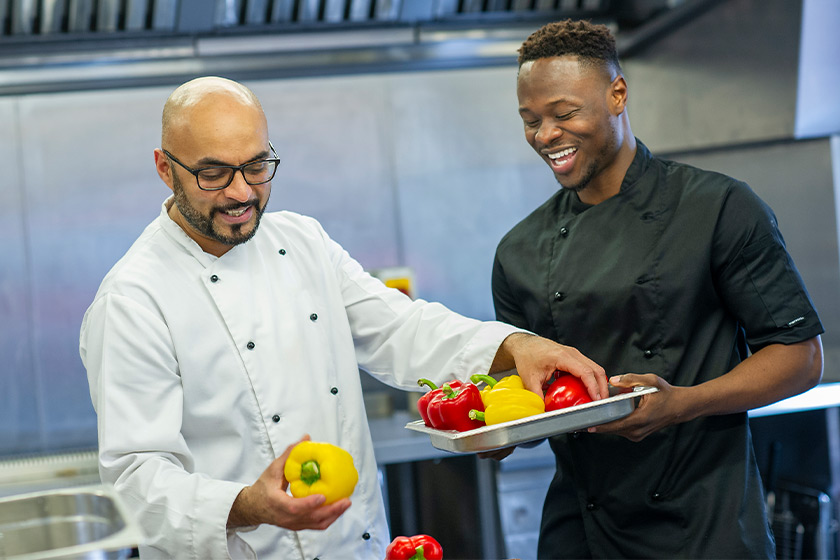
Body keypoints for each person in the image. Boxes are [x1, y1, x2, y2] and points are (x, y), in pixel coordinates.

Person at [79, 76, 608, 559]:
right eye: (213, 174)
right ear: (165, 168)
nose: (242, 192)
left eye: (257, 166)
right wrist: (246, 505)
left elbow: (400, 329)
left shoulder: (301, 241)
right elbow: (135, 478)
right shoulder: (133, 300)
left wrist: (515, 345)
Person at [491, 19, 824, 559]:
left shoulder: (715, 207)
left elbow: (800, 357)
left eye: (564, 113)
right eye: (530, 120)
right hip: (580, 532)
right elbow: (526, 397)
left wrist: (681, 404)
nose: (545, 134)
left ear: (617, 94)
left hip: (701, 528)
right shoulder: (518, 251)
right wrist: (501, 431)